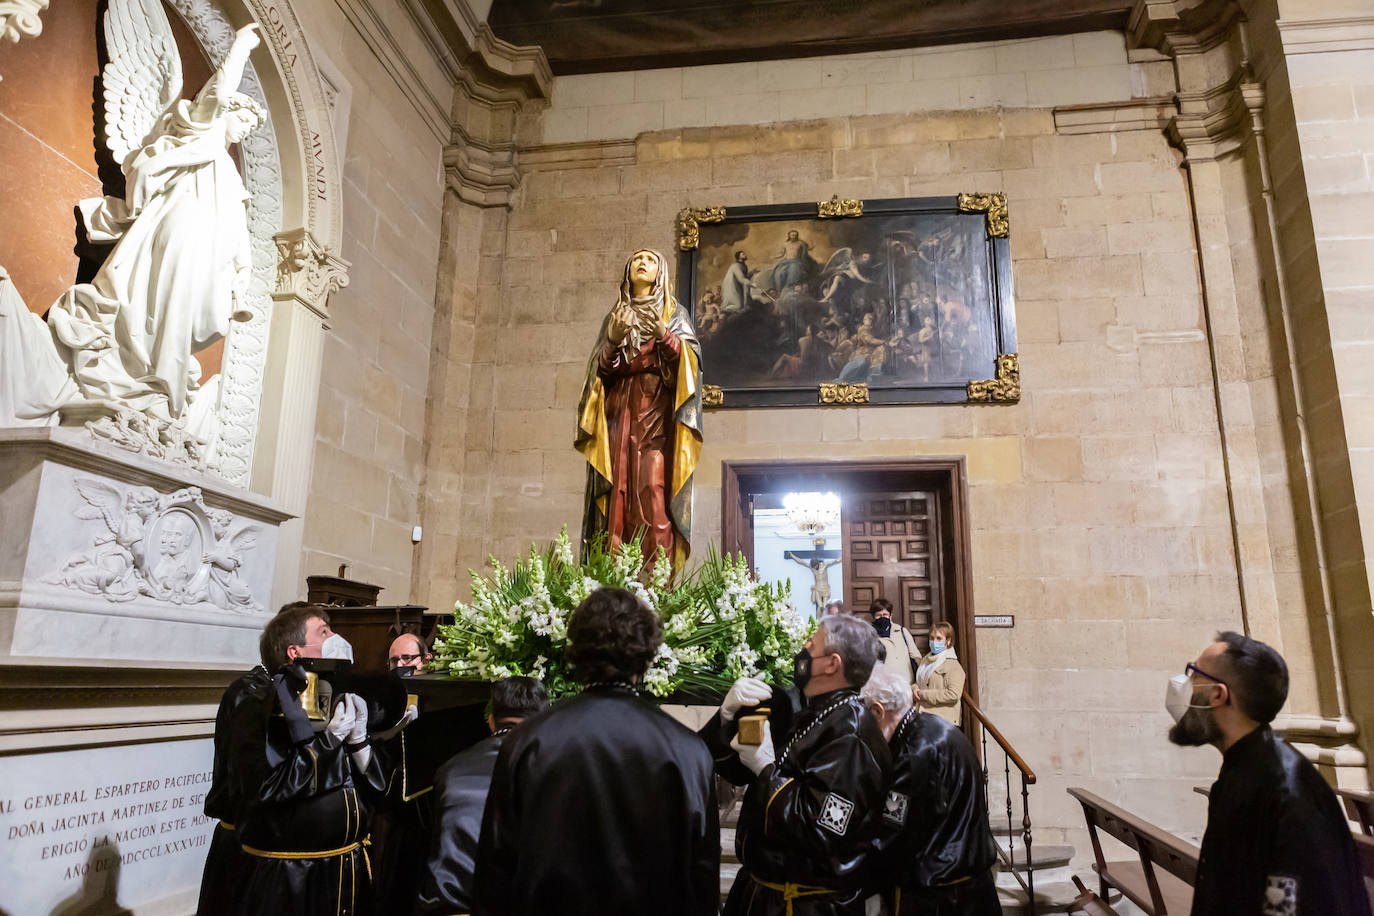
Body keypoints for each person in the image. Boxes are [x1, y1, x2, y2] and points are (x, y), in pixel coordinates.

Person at [475, 587, 719, 916]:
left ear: (577, 649)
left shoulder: (526, 741)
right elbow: (701, 877)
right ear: (647, 653)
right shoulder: (688, 750)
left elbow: (495, 871)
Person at [196, 602, 385, 916]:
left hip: (344, 870)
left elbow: (374, 792)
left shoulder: (338, 700)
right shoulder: (258, 707)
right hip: (295, 878)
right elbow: (264, 788)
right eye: (324, 632)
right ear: (295, 652)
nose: (336, 637)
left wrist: (360, 742)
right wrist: (329, 742)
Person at [1168, 632, 1371, 916]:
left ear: (1218, 695)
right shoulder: (1245, 766)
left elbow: (1292, 905)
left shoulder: (1287, 789)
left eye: (1194, 674)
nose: (1184, 686)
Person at [720, 613, 892, 915]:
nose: (802, 648)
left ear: (832, 663)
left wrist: (767, 771)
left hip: (805, 905)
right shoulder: (817, 713)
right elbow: (735, 769)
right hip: (767, 893)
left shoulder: (850, 733)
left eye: (811, 644)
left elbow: (823, 828)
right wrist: (725, 719)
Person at [576, 248, 703, 571]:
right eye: (636, 259)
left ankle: (657, 581)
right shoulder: (616, 316)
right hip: (620, 414)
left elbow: (690, 368)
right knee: (618, 494)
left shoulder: (674, 313)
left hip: (657, 415)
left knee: (653, 491)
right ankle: (614, 577)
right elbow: (602, 372)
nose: (642, 263)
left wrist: (664, 336)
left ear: (661, 272)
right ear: (627, 272)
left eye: (649, 259)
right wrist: (613, 342)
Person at [861, 667, 998, 916]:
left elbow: (892, 828)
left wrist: (852, 872)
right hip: (975, 881)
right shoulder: (941, 729)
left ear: (878, 711)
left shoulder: (913, 751)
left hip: (938, 893)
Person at [417, 677, 549, 916]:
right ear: (544, 723)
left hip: (448, 907)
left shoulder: (450, 769)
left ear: (490, 722)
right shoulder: (554, 771)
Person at [914, 621, 965, 725]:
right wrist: (914, 687)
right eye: (932, 638)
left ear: (948, 641)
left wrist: (924, 694)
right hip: (922, 714)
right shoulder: (925, 660)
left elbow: (953, 694)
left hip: (941, 720)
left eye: (938, 638)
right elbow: (920, 682)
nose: (934, 642)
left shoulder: (953, 665)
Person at [870, 600, 920, 689]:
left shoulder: (902, 631)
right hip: (883, 688)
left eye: (885, 614)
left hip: (906, 686)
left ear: (890, 615)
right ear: (873, 617)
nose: (882, 617)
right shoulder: (868, 635)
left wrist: (917, 683)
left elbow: (916, 657)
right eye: (878, 615)